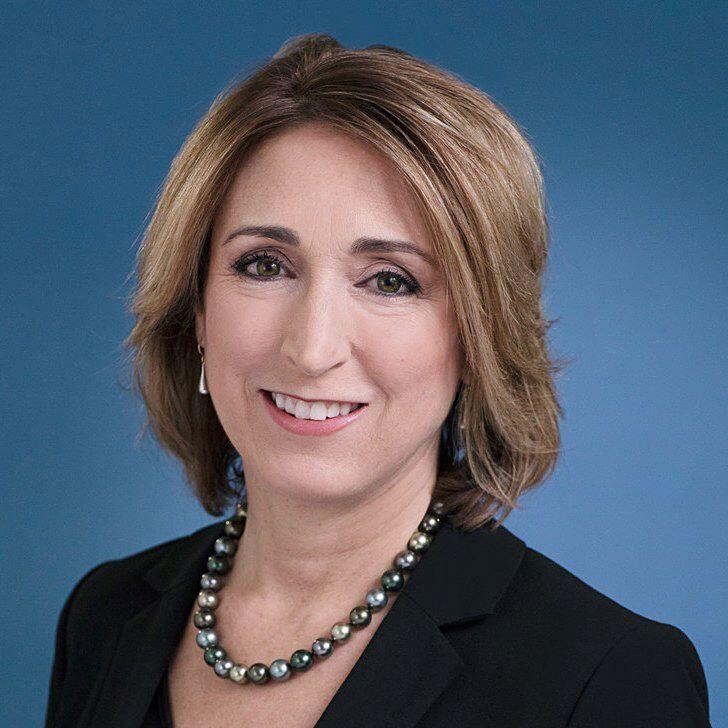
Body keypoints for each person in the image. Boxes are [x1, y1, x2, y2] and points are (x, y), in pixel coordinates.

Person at [44, 33, 711, 728]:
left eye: (390, 281)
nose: (312, 349)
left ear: (477, 338)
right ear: (198, 310)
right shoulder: (106, 615)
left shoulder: (606, 678)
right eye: (265, 265)